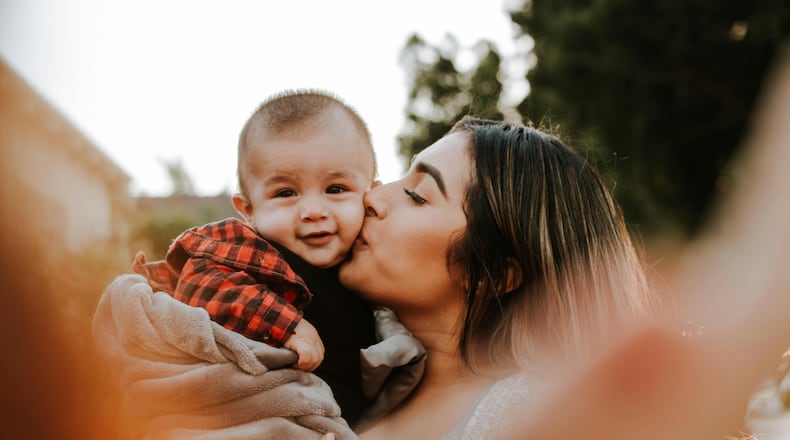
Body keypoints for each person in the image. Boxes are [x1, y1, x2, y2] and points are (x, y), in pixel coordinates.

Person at [337, 114, 659, 438]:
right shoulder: (337, 369)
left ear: (493, 274)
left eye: (417, 196)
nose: (372, 197)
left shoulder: (545, 420)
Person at [132, 89, 379, 427]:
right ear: (249, 210)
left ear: (372, 194)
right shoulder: (252, 249)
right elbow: (202, 283)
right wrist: (284, 324)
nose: (313, 211)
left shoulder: (373, 263)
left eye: (336, 189)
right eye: (285, 193)